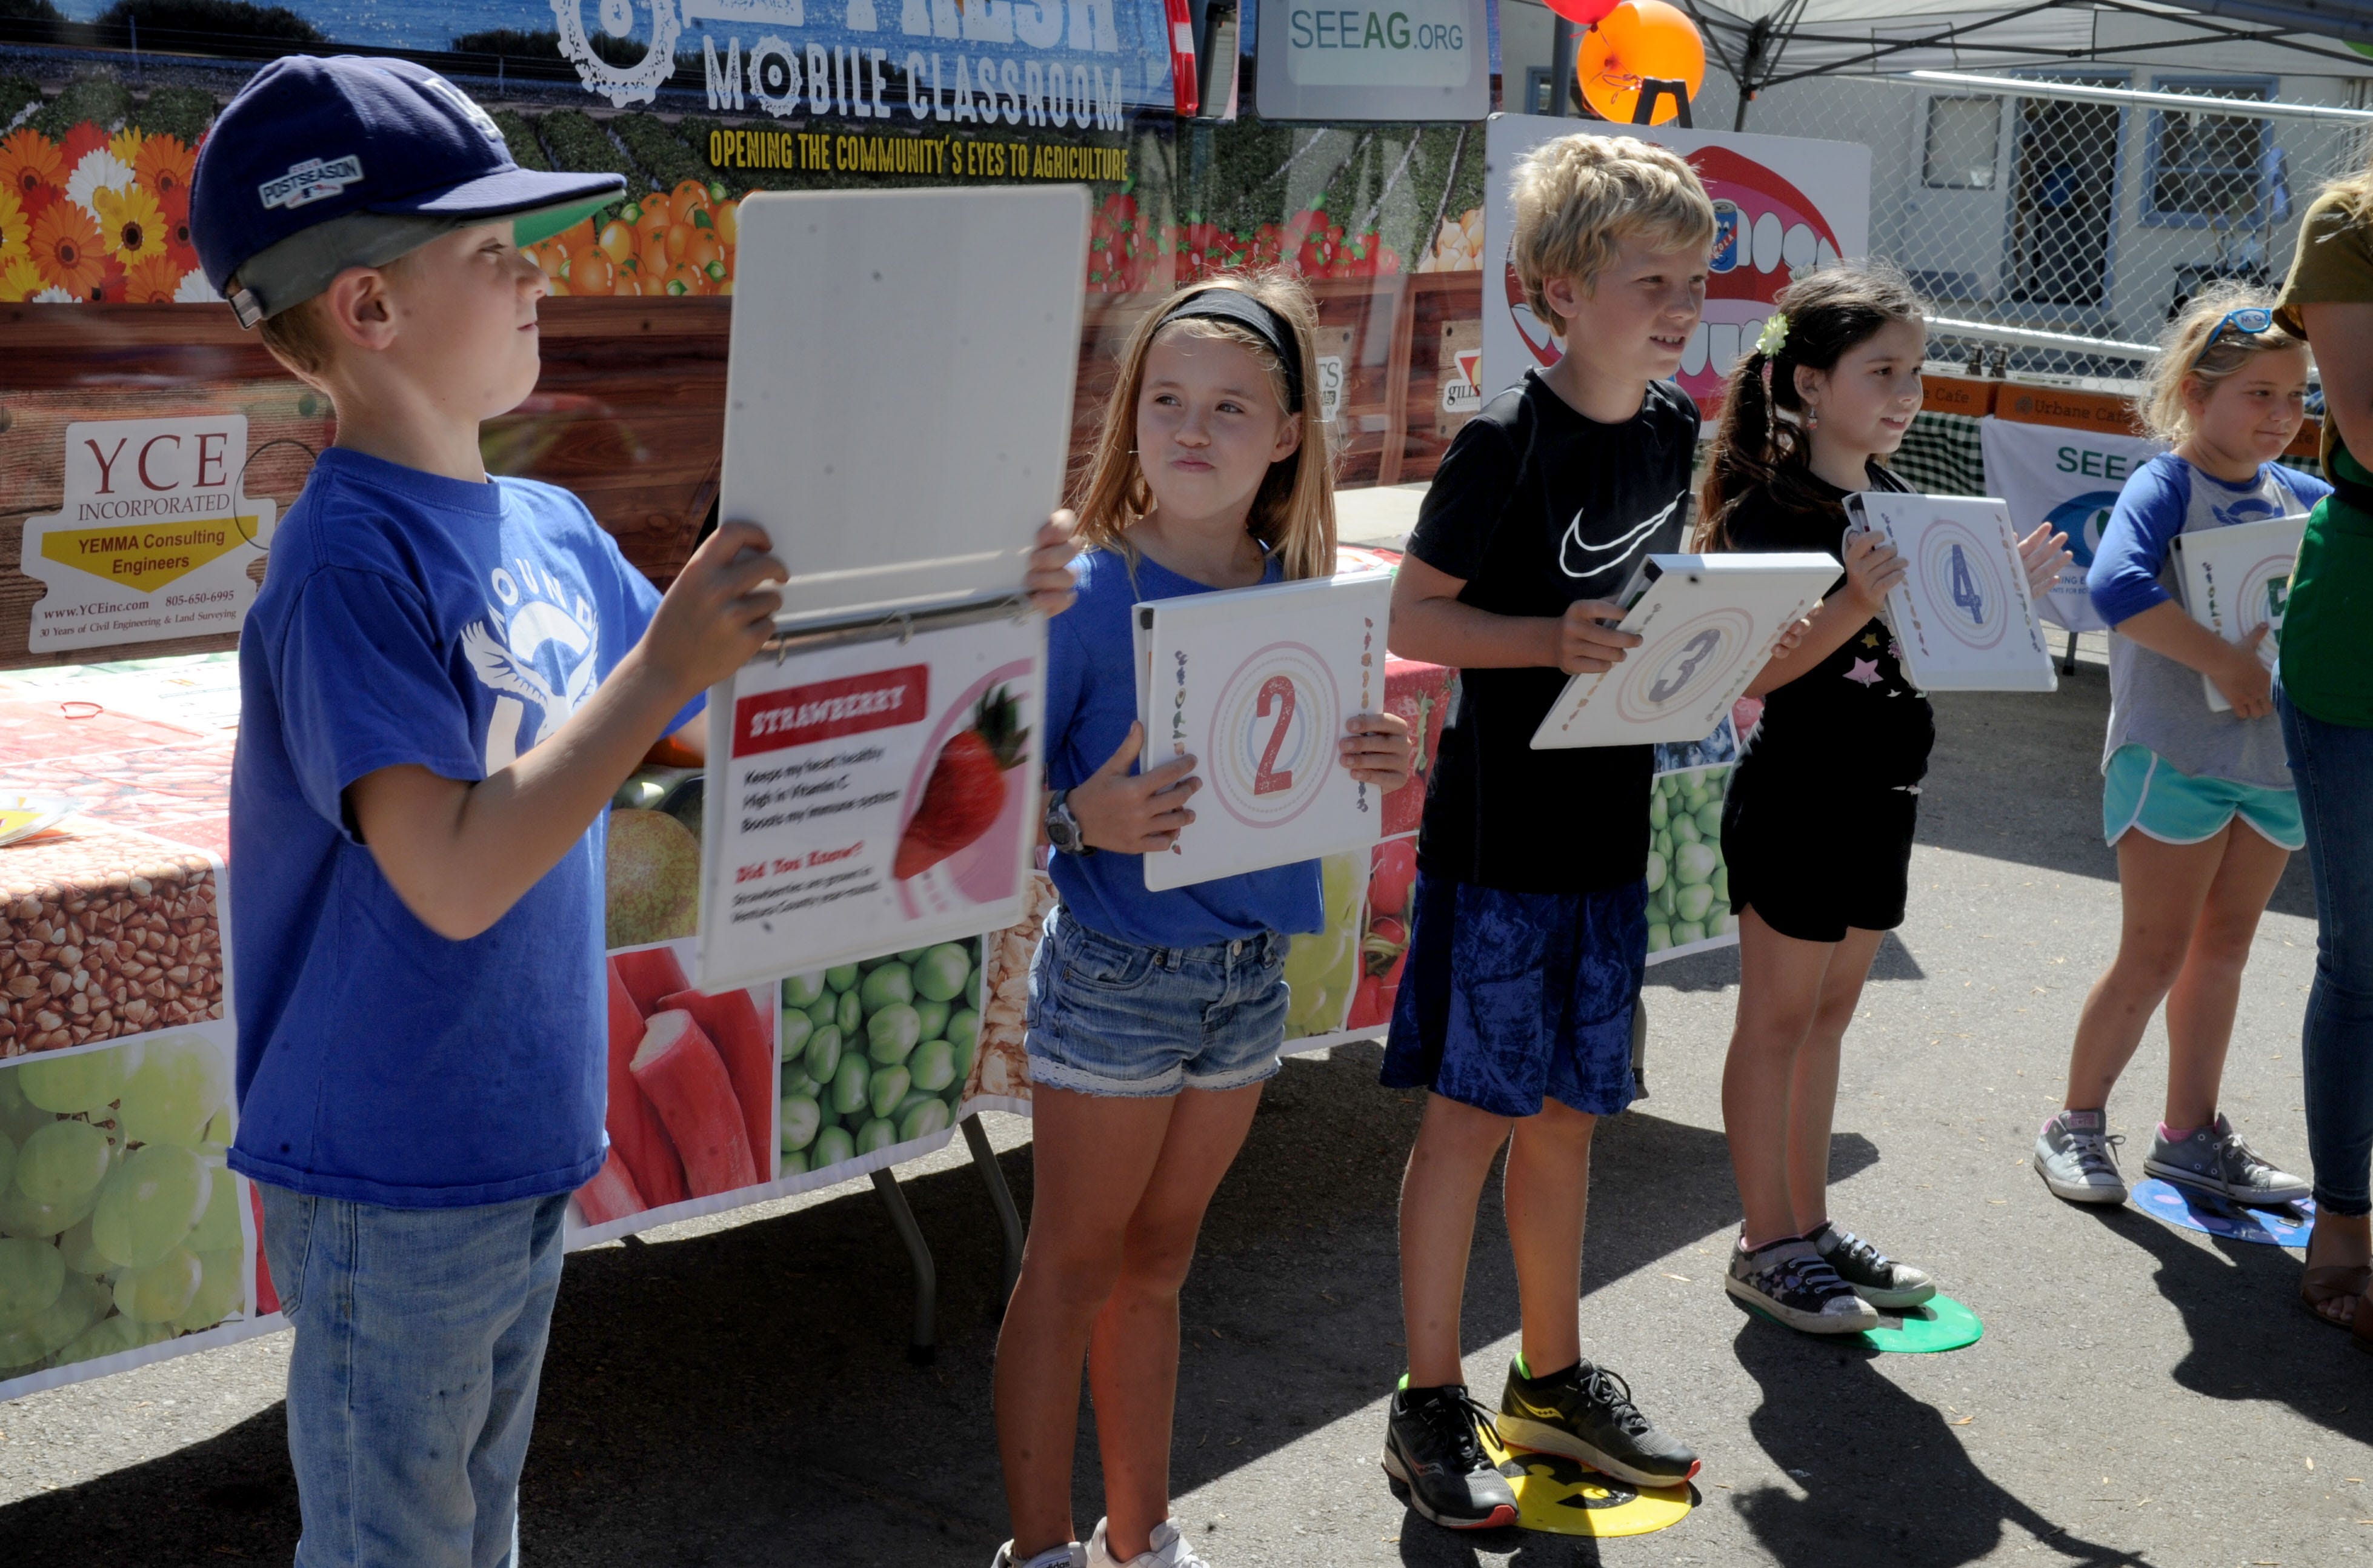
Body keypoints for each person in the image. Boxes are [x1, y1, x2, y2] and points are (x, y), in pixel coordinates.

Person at [192, 58, 1078, 1568]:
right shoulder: (345, 567)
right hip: (391, 1172)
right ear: (368, 308)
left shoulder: (545, 525)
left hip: (521, 1139)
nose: (536, 272)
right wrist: (667, 651)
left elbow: (730, 705)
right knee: (391, 1547)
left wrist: (986, 592)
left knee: (474, 1530)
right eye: (489, 250)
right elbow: (454, 875)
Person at [991, 274, 1415, 1568]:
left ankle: (1141, 1537)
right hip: (1115, 975)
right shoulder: (1080, 587)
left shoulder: (1315, 595)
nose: (1191, 428)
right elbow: (985, 798)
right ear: (1129, 414)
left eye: (1230, 406)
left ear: (1287, 434)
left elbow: (1314, 770)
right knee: (1070, 1264)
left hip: (1247, 979)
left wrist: (1380, 756)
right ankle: (1041, 1547)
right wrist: (1080, 821)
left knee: (1161, 1263)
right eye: (1165, 399)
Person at [1377, 133, 1717, 1529]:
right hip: (1497, 838)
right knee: (1468, 1123)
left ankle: (1552, 1382)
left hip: (1605, 833)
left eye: (1694, 276)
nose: (1682, 302)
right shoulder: (1498, 444)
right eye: (1653, 277)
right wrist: (1543, 639)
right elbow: (1409, 619)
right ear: (1562, 289)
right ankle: (1425, 1403)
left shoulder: (1672, 431)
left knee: (1571, 1117)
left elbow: (1650, 609)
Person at [1698, 264, 2068, 1334]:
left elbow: (1927, 652)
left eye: (1917, 371)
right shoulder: (1774, 510)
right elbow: (1754, 676)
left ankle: (1809, 1228)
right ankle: (1763, 1242)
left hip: (1882, 794)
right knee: (1774, 1023)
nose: (1908, 393)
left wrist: (2003, 600)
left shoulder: (1901, 503)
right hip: (1801, 797)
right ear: (1809, 384)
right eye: (1883, 372)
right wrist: (1855, 595)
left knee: (1829, 1016)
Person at [2032, 287, 2325, 1219]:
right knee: (2153, 955)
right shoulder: (2169, 484)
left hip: (2274, 769)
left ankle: (2190, 1138)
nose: (2282, 417)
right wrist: (2227, 665)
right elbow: (2114, 586)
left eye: (2300, 397)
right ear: (2196, 396)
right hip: (2175, 762)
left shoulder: (2300, 495)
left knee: (2225, 952)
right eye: (2261, 395)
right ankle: (2073, 1124)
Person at [2271, 156, 2373, 1335]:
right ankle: (2342, 1218)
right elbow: (2364, 428)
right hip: (2356, 638)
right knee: (2360, 956)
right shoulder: (2348, 223)